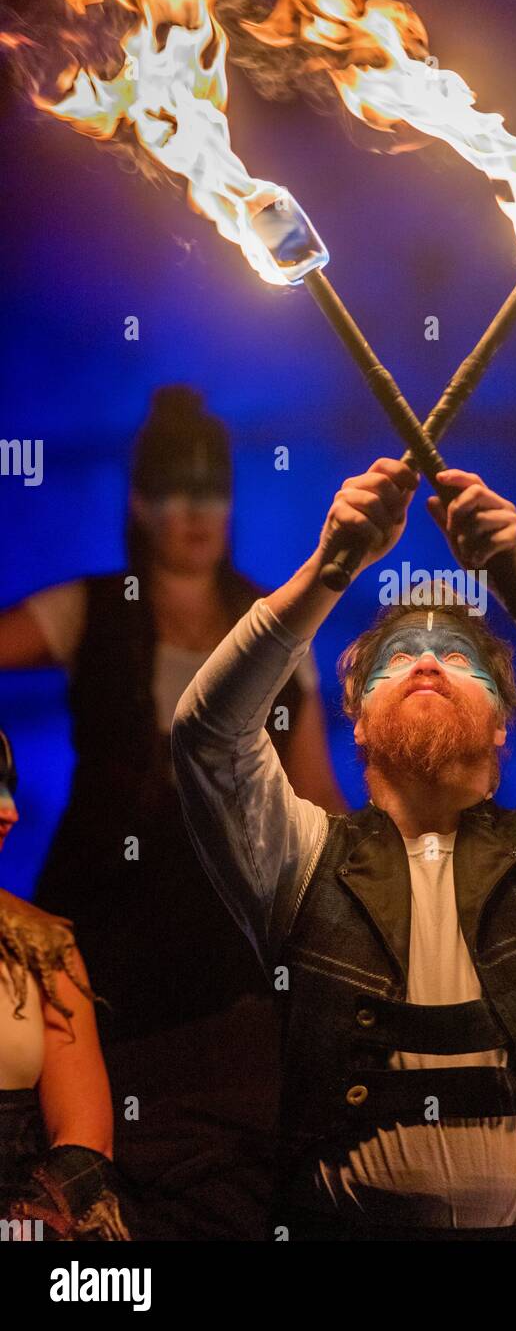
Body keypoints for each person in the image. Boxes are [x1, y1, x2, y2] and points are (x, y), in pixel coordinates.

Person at [172, 456, 516, 1240]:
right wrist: (329, 569)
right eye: (395, 657)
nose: (430, 660)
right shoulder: (301, 859)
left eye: (464, 659)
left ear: (504, 722)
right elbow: (208, 737)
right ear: (358, 719)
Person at [0, 385, 346, 1239]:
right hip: (100, 933)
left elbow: (316, 798)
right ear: (138, 502)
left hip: (223, 948)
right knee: (89, 1142)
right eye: (173, 490)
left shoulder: (275, 627)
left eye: (213, 491)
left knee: (218, 1155)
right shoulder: (90, 608)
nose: (195, 512)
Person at [0, 728, 130, 1240]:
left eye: (9, 787)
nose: (9, 811)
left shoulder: (44, 948)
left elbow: (86, 1143)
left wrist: (19, 1232)